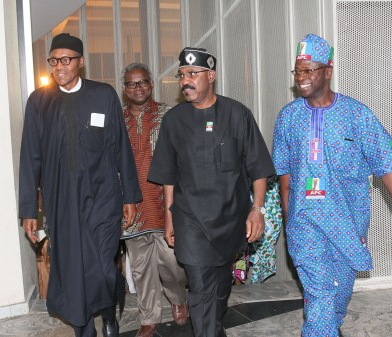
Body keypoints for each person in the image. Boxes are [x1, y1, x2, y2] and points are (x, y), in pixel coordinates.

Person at [272, 33, 392, 337]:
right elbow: (284, 174)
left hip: (348, 222)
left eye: (309, 70)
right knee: (321, 292)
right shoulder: (287, 117)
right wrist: (290, 221)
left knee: (338, 292)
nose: (301, 77)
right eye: (298, 71)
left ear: (328, 71)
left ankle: (328, 326)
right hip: (305, 222)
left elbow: (387, 162)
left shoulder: (357, 114)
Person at [19, 33, 142, 337]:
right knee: (73, 269)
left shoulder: (103, 95)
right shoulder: (39, 101)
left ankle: (109, 311)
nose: (58, 66)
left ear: (81, 62)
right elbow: (30, 157)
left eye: (66, 59)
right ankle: (83, 329)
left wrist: (130, 195)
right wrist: (28, 210)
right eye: (53, 60)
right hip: (61, 202)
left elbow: (120, 148)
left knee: (102, 264)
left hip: (103, 197)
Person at [148, 47, 275, 337]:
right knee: (201, 287)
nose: (185, 81)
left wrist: (257, 211)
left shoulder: (237, 114)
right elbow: (167, 176)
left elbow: (258, 169)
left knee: (219, 288)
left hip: (231, 219)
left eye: (193, 74)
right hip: (190, 220)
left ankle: (214, 328)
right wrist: (169, 217)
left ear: (211, 76)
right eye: (181, 75)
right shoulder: (174, 121)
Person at [120, 63, 188, 337]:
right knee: (140, 267)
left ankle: (178, 299)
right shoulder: (117, 120)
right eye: (132, 84)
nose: (138, 88)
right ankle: (149, 316)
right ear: (124, 89)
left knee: (172, 262)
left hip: (165, 202)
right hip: (131, 205)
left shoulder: (168, 115)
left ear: (151, 84)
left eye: (143, 82)